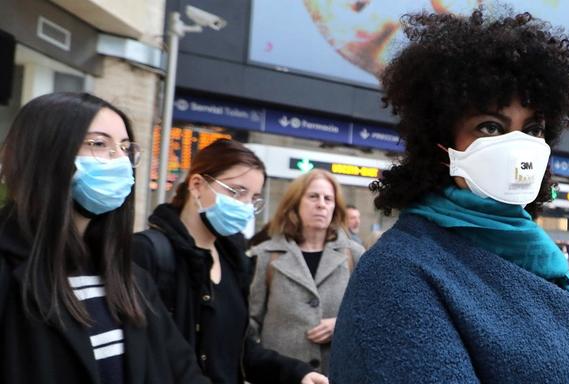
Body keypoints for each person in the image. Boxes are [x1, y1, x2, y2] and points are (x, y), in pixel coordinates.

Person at [327, 8, 569, 383]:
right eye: (490, 126)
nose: (518, 146)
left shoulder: (538, 257)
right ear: (442, 146)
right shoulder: (398, 271)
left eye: (533, 128)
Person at [0, 92, 206, 383]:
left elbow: (183, 370)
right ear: (44, 152)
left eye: (125, 148)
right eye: (98, 144)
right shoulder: (10, 272)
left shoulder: (131, 279)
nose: (121, 161)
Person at [132, 139, 327, 384]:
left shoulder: (233, 261)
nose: (245, 205)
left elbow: (237, 350)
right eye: (236, 191)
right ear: (196, 185)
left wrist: (296, 373)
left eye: (253, 198)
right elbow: (150, 354)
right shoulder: (148, 252)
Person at [248, 170, 364, 374]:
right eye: (313, 197)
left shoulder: (354, 255)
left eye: (328, 199)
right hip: (283, 376)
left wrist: (342, 324)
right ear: (295, 204)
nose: (321, 204)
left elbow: (373, 314)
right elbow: (249, 325)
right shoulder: (265, 256)